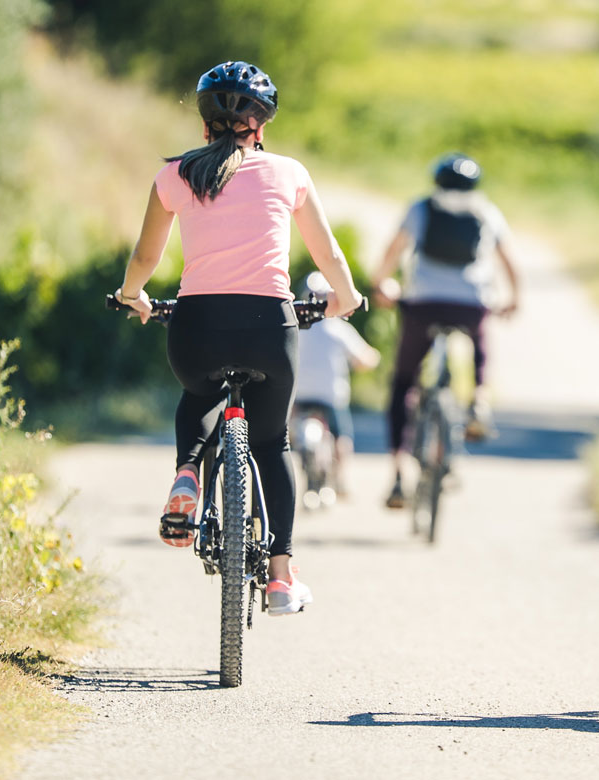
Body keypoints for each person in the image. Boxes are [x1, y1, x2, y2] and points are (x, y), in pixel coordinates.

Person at [114, 60, 362, 615]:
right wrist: (343, 301)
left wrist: (134, 296)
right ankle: (279, 577)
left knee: (199, 394)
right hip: (269, 329)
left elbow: (145, 257)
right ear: (262, 124)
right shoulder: (289, 173)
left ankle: (186, 475)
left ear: (204, 124)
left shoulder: (176, 175)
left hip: (196, 328)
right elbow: (328, 255)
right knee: (272, 443)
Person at [371, 152, 521, 509]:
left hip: (422, 303)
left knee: (403, 382)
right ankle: (480, 399)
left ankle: (396, 473)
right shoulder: (486, 211)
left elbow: (393, 252)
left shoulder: (420, 208)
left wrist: (382, 285)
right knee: (481, 341)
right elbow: (509, 261)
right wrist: (513, 298)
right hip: (470, 303)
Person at [292, 271, 380, 498]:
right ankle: (340, 480)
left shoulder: (296, 328)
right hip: (330, 395)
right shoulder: (338, 328)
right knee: (342, 438)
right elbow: (365, 358)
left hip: (299, 394)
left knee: (286, 431)